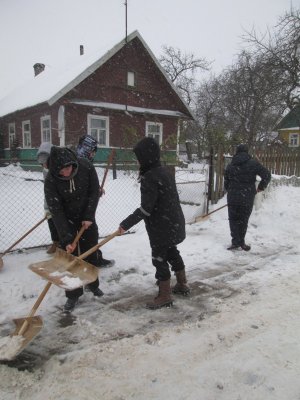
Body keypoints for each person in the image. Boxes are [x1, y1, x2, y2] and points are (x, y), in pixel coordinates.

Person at [118, 136, 190, 310]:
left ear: (146, 157)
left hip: (161, 227)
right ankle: (182, 284)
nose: (137, 161)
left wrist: (125, 224)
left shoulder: (150, 176)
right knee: (172, 252)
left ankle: (164, 295)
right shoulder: (165, 171)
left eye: (139, 157)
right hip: (174, 223)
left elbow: (146, 209)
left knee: (159, 259)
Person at [44, 146, 104, 312]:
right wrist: (66, 237)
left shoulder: (86, 167)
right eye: (62, 170)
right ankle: (73, 295)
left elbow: (94, 192)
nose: (66, 173)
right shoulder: (51, 179)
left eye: (68, 168)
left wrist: (89, 215)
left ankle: (93, 284)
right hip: (66, 218)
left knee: (91, 252)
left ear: (74, 164)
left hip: (86, 216)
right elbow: (55, 209)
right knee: (70, 259)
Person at [76, 134, 115, 268]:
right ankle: (93, 260)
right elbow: (80, 187)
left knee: (88, 234)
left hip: (83, 206)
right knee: (91, 234)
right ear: (85, 149)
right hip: (83, 207)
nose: (93, 154)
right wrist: (93, 193)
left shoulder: (80, 161)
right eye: (92, 151)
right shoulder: (81, 163)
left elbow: (86, 184)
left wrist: (96, 189)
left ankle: (90, 258)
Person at [224, 144, 271, 251]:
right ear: (247, 152)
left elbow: (226, 182)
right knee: (243, 219)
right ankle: (242, 242)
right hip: (247, 196)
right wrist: (260, 187)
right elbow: (267, 175)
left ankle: (235, 242)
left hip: (233, 197)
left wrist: (231, 190)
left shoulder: (231, 165)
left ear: (237, 152)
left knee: (233, 219)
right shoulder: (253, 164)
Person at [37, 142, 59, 254]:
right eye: (42, 163)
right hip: (51, 200)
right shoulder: (45, 170)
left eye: (46, 162)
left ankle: (63, 244)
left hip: (63, 201)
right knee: (50, 220)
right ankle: (55, 242)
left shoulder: (60, 168)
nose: (44, 165)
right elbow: (48, 191)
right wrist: (47, 208)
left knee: (62, 222)